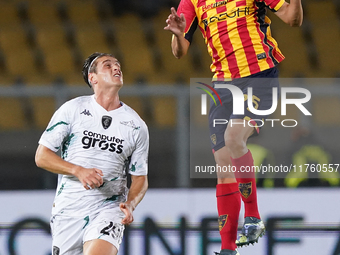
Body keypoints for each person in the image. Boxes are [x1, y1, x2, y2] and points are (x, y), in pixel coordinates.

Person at [165, 1, 303, 254]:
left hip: (259, 76)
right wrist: (177, 34)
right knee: (222, 166)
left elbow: (292, 19)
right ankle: (228, 249)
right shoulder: (191, 2)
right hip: (222, 86)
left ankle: (253, 217)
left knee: (234, 137)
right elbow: (180, 51)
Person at [35, 52, 149, 255]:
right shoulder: (73, 109)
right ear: (92, 77)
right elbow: (42, 156)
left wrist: (130, 204)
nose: (116, 68)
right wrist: (78, 170)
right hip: (69, 209)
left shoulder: (136, 125)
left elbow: (140, 178)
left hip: (109, 208)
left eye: (117, 64)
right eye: (107, 65)